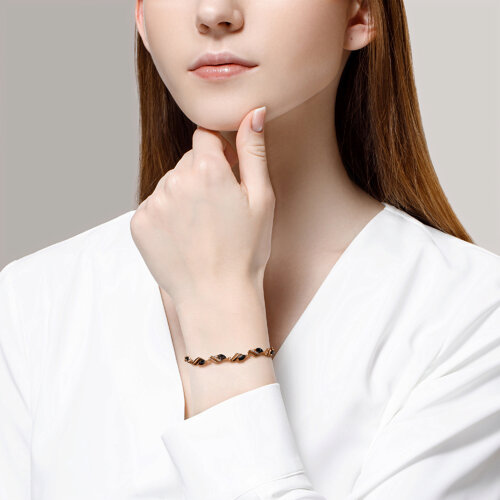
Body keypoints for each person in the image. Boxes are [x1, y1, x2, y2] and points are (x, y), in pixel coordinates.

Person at [1, 0, 499, 499]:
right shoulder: (33, 303)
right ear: (142, 19)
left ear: (359, 14)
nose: (213, 12)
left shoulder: (472, 318)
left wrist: (218, 311)